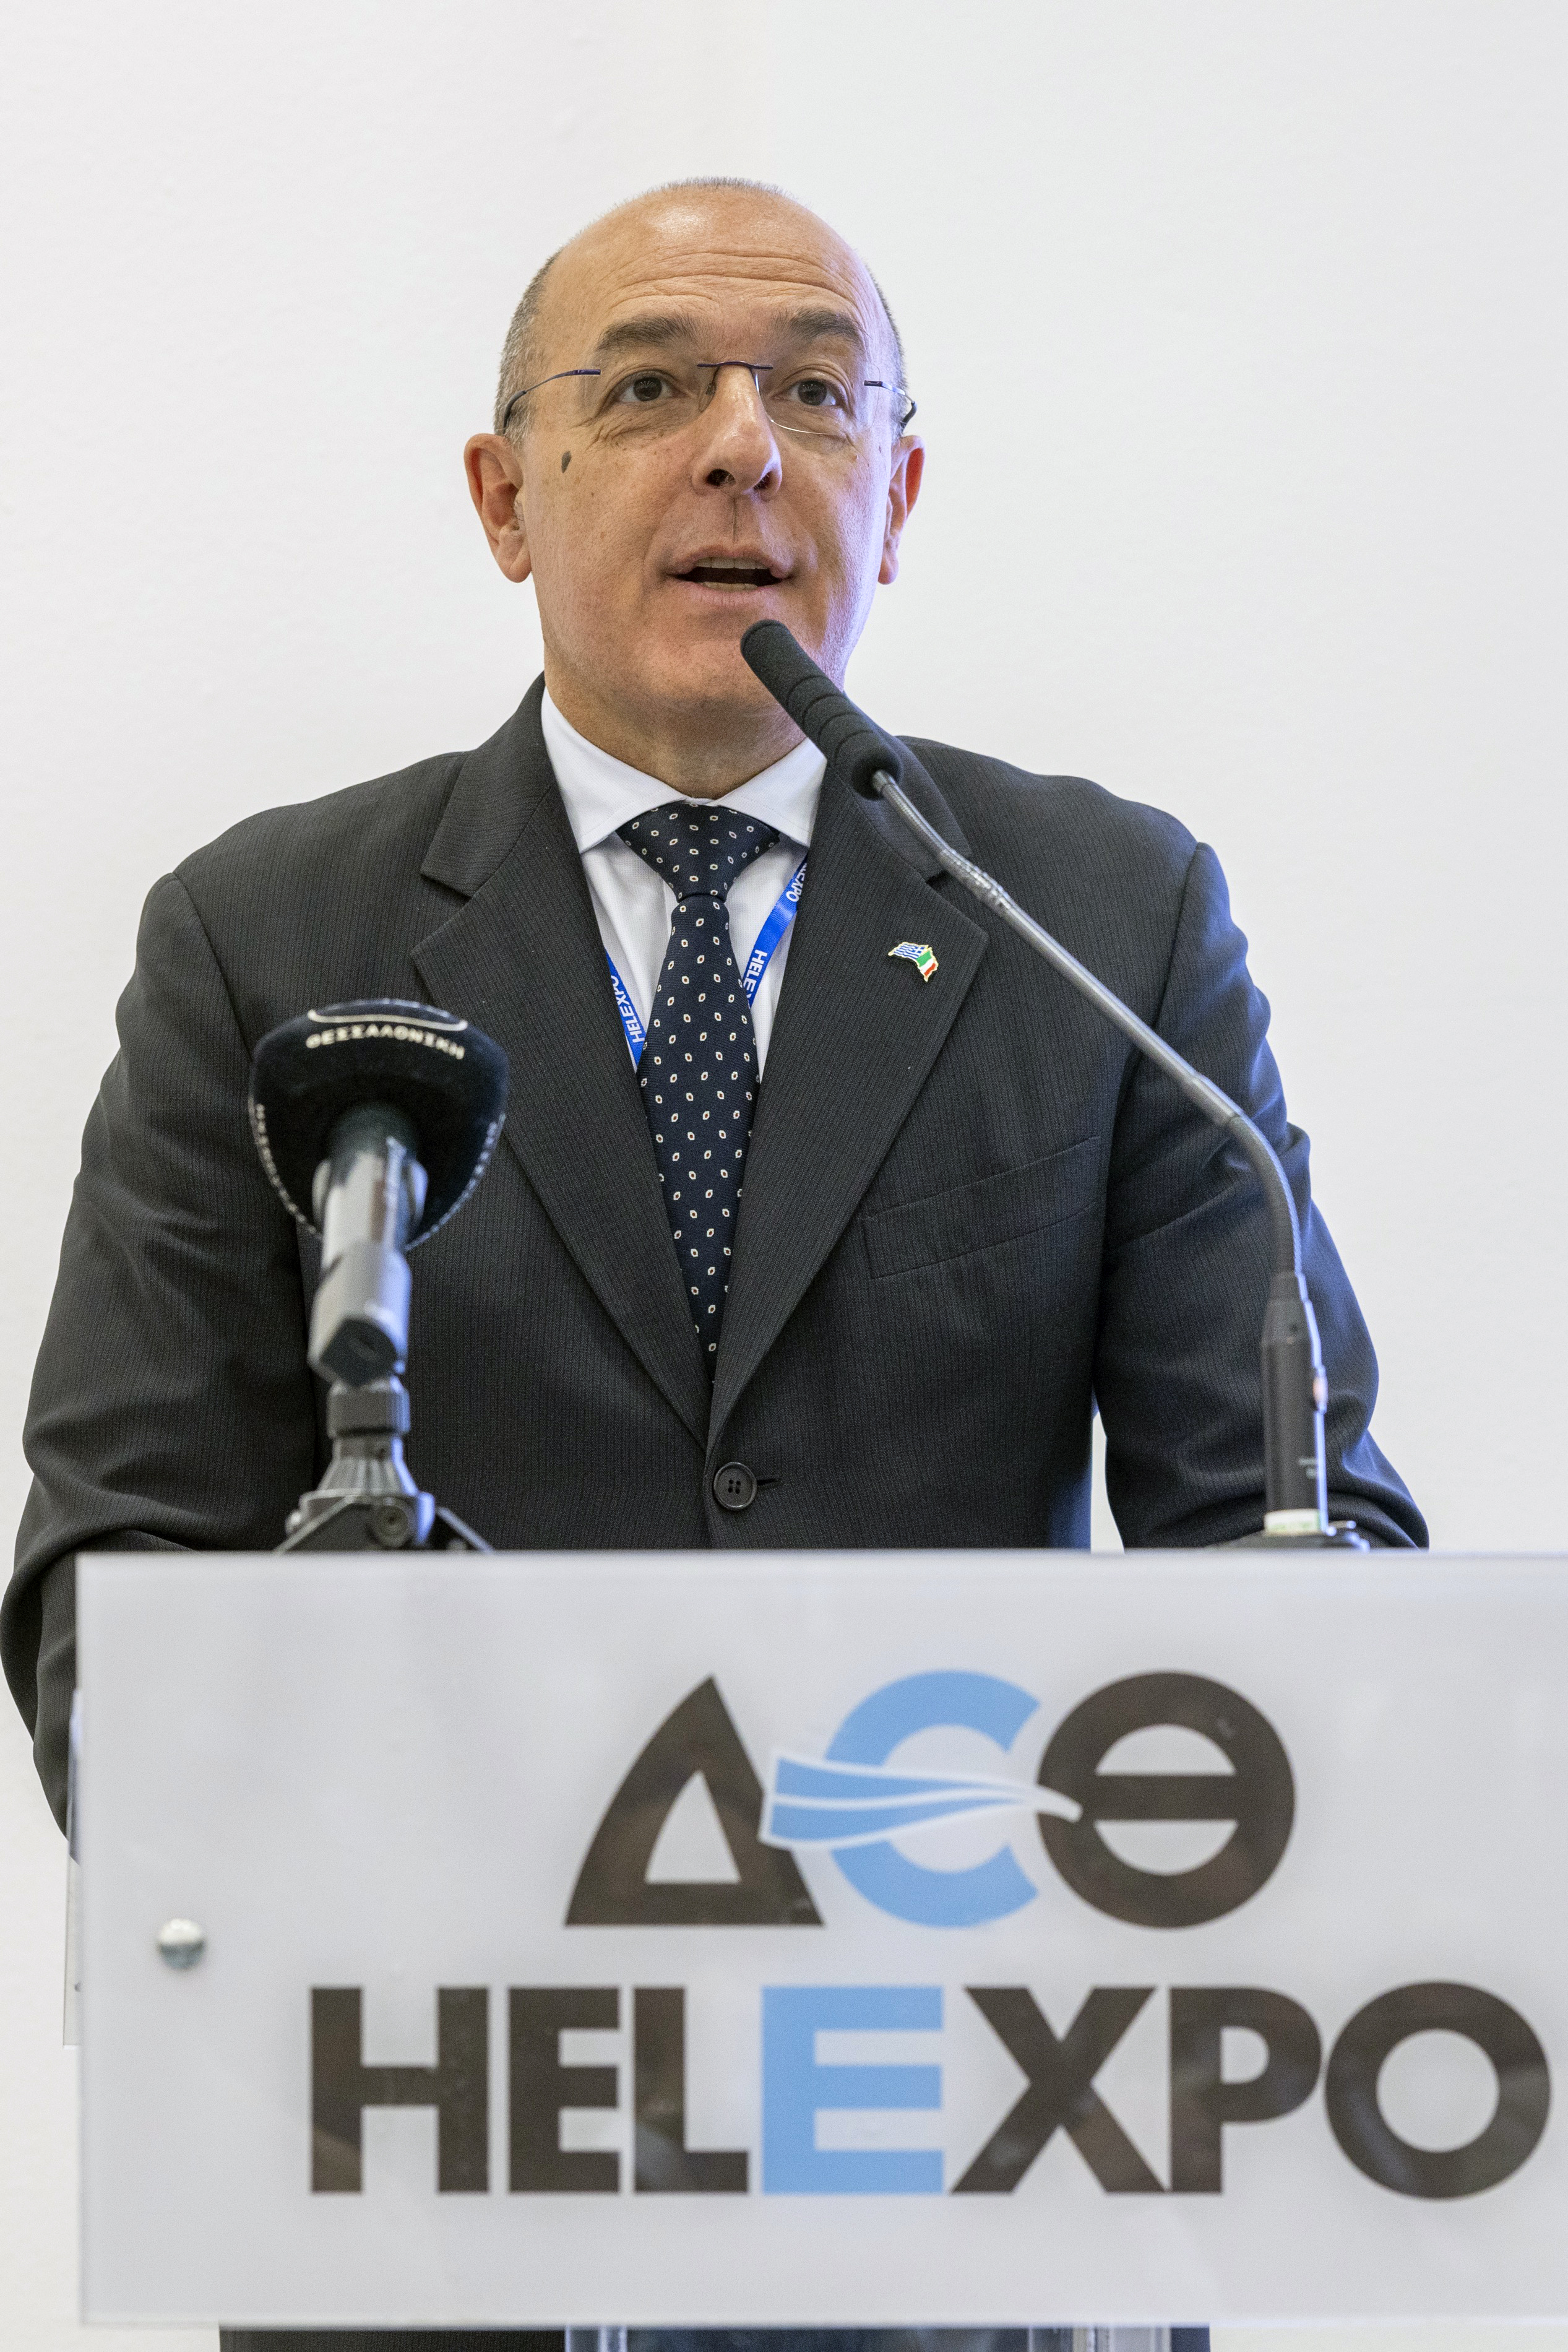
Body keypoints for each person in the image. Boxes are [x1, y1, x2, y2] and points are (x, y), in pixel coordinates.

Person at [2, 179, 1424, 2352]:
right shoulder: (268, 938)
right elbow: (118, 1574)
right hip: (442, 2193)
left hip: (989, 2195)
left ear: (899, 494)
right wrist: (337, 1890)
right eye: (655, 386)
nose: (747, 447)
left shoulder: (1099, 919)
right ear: (506, 496)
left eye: (820, 395)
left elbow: (1296, 1533)